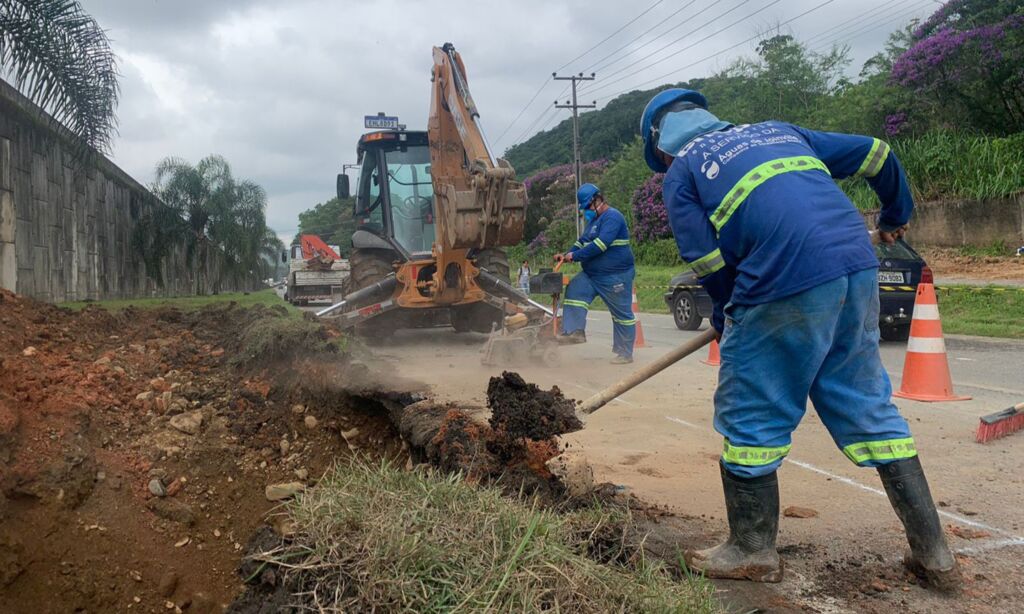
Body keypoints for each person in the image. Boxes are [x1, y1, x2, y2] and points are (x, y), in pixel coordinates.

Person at [640, 89, 959, 590]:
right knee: (866, 405)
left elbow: (705, 260)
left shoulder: (682, 172)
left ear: (662, 147)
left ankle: (751, 549)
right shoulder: (781, 132)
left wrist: (730, 317)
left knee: (753, 410)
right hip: (855, 268)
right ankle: (934, 554)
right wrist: (895, 215)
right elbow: (878, 152)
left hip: (782, 279)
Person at [555, 183, 637, 364]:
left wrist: (574, 256)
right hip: (592, 275)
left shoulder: (613, 218)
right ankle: (574, 332)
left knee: (621, 314)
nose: (586, 212)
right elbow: (582, 242)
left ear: (597, 200)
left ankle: (625, 353)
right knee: (575, 290)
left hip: (615, 276)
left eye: (587, 208)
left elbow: (601, 245)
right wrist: (566, 254)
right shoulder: (594, 222)